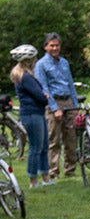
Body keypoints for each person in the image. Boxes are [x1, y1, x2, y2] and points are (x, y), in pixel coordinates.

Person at [34, 32, 79, 180]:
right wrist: (54, 108)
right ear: (46, 47)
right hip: (53, 102)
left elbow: (70, 84)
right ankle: (53, 171)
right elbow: (43, 88)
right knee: (54, 139)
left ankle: (70, 169)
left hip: (68, 101)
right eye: (51, 45)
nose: (55, 48)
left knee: (71, 138)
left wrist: (75, 104)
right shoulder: (41, 65)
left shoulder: (64, 62)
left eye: (57, 45)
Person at [10, 44, 52, 189]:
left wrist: (43, 96)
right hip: (32, 114)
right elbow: (40, 96)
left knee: (44, 145)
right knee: (35, 147)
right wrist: (45, 96)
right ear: (28, 60)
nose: (36, 60)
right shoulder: (25, 77)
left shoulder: (26, 75)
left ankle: (46, 177)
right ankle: (33, 181)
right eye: (34, 57)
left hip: (37, 113)